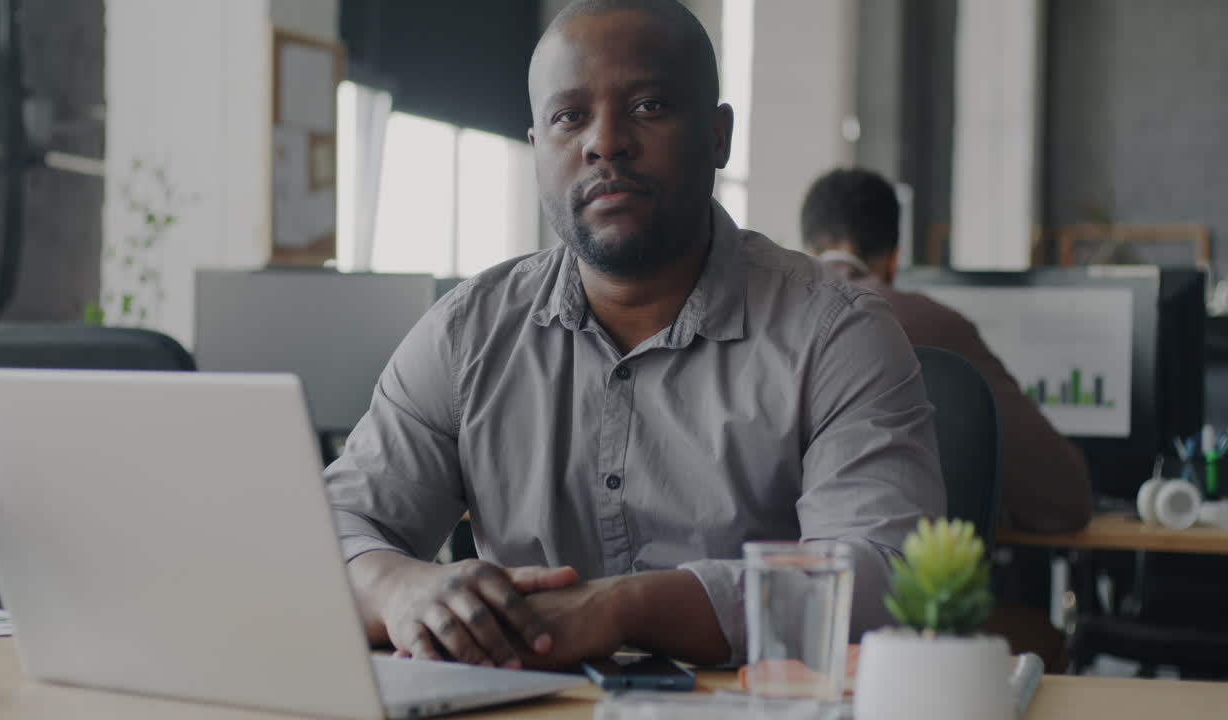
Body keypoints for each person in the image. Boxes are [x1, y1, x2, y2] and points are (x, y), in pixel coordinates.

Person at [326, 0, 943, 672]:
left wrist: (620, 609)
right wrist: (399, 586)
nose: (605, 143)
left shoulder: (837, 333)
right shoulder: (466, 334)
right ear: (538, 151)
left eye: (648, 107)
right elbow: (326, 530)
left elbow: (883, 581)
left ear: (717, 135)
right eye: (569, 116)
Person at [801, 167, 1092, 533]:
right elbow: (1064, 497)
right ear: (894, 259)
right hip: (908, 583)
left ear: (806, 250)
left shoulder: (771, 321)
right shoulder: (934, 324)